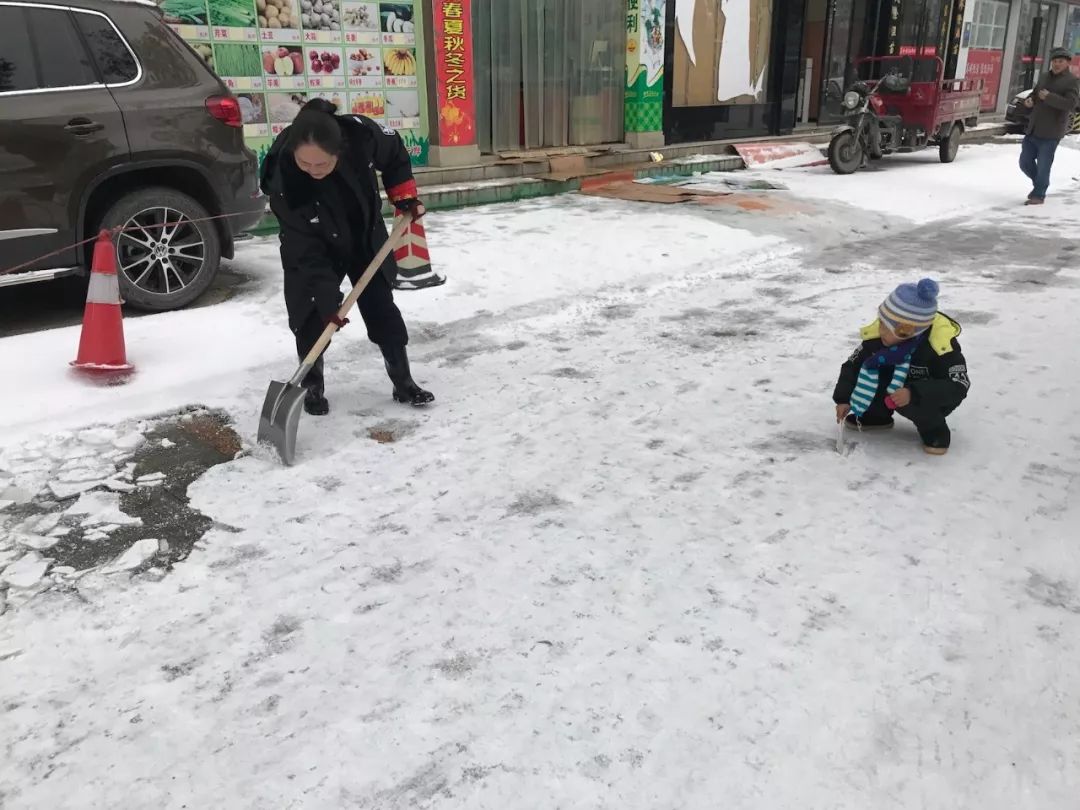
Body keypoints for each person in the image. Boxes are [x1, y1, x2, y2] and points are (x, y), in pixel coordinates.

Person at [259, 99, 434, 415]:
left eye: (322, 165)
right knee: (311, 314)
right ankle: (312, 386)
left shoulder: (361, 134)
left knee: (381, 307)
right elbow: (305, 252)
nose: (313, 171)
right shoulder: (282, 178)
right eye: (305, 164)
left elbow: (394, 154)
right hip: (313, 245)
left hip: (364, 236)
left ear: (339, 151)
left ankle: (403, 381)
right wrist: (328, 301)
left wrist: (405, 197)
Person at [833, 279, 970, 456]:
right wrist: (843, 398)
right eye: (881, 322)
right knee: (873, 369)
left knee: (917, 400)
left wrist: (914, 392)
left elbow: (958, 384)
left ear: (906, 332)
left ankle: (935, 431)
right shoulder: (877, 338)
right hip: (896, 389)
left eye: (887, 327)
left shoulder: (939, 346)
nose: (880, 330)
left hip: (925, 395)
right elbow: (853, 365)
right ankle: (876, 416)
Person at [1020, 47, 1080, 206]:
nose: (1057, 64)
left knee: (1044, 165)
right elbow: (1035, 93)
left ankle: (1038, 195)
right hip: (1034, 127)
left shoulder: (1072, 81)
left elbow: (1071, 104)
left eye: (1060, 61)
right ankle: (1041, 183)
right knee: (1024, 162)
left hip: (1052, 131)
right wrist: (1030, 100)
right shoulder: (1045, 76)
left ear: (1067, 63)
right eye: (1054, 61)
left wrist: (1049, 97)